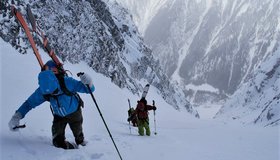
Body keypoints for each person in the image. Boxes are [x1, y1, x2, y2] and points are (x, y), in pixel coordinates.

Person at [8, 60, 95, 149]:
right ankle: (72, 148)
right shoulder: (43, 90)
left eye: (53, 70)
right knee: (57, 142)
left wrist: (88, 82)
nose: (53, 93)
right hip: (59, 116)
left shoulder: (68, 82)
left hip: (74, 112)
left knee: (78, 132)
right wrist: (17, 116)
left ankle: (81, 143)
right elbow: (29, 103)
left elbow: (89, 89)